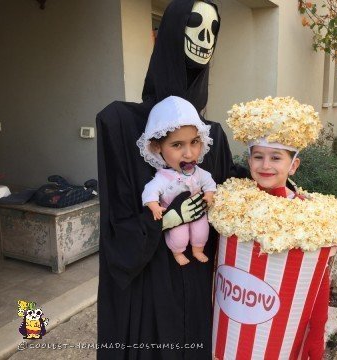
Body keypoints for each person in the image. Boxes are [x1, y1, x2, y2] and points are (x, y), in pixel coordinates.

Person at [96, 1, 246, 359]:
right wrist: (163, 220)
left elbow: (229, 191)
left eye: (213, 30)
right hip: (147, 284)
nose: (205, 38)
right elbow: (116, 221)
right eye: (194, 25)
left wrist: (273, 177)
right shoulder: (121, 124)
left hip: (194, 276)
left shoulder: (214, 136)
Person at [210, 97, 337, 359]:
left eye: (276, 157)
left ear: (293, 165)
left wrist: (316, 332)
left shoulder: (308, 217)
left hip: (279, 340)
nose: (265, 165)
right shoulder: (231, 199)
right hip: (226, 334)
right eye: (258, 156)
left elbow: (319, 281)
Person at [138, 96, 216, 265]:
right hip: (175, 215)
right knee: (179, 236)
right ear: (157, 147)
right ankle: (178, 252)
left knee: (201, 232)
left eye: (194, 142)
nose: (189, 154)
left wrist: (209, 194)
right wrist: (154, 206)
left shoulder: (198, 172)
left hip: (197, 211)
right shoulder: (163, 177)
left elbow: (208, 181)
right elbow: (151, 191)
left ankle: (198, 249)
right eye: (177, 145)